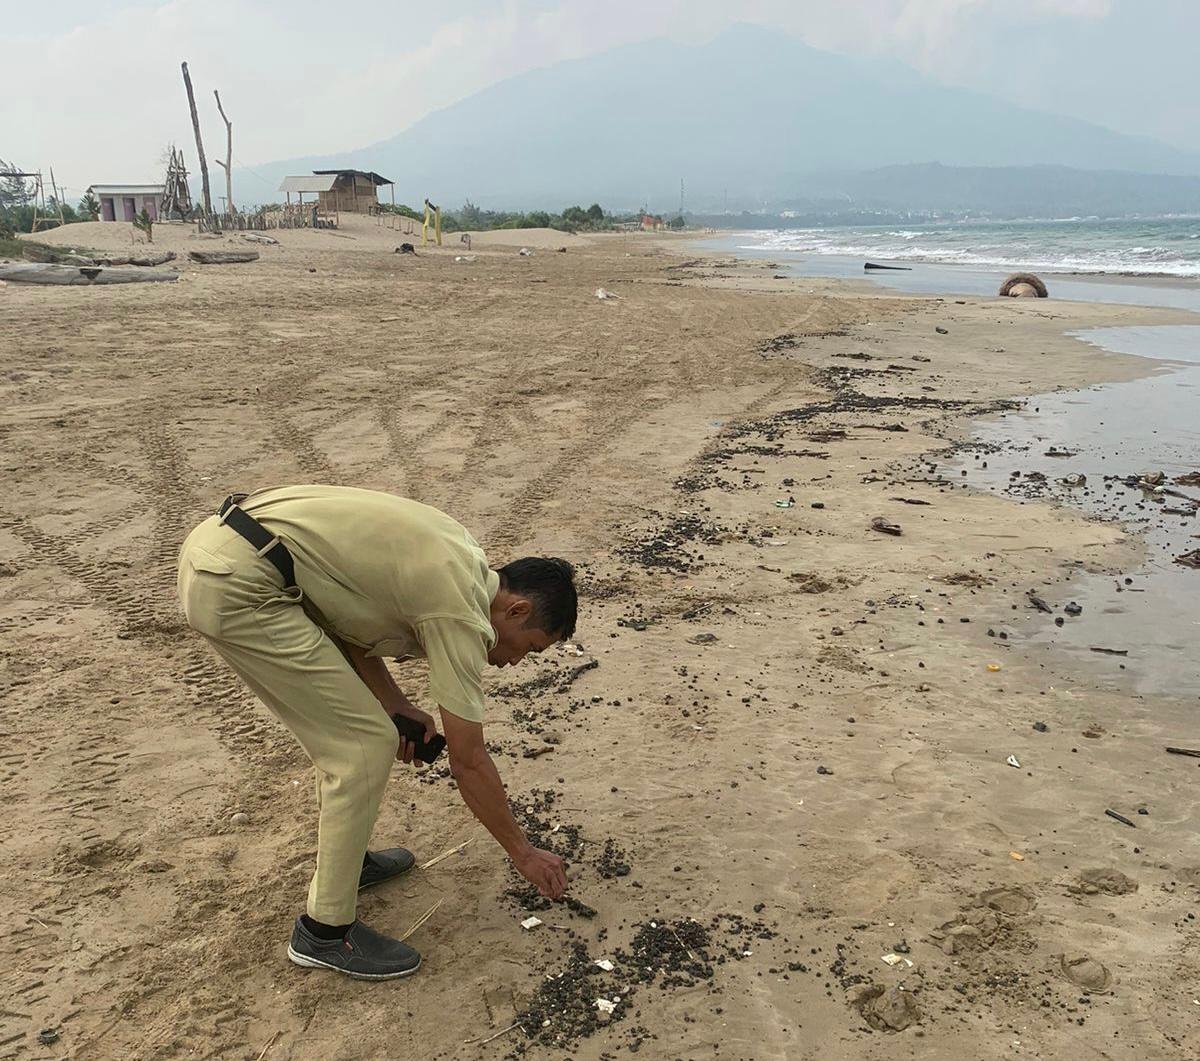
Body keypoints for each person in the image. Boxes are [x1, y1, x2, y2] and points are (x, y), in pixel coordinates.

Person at [176, 485, 575, 980]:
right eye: (530, 648)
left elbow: (342, 612)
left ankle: (348, 869)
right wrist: (524, 852)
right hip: (241, 586)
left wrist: (395, 702)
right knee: (360, 747)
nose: (515, 662)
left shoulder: (463, 557)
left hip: (225, 552)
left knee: (365, 730)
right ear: (516, 611)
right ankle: (324, 932)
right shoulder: (460, 612)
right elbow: (469, 760)